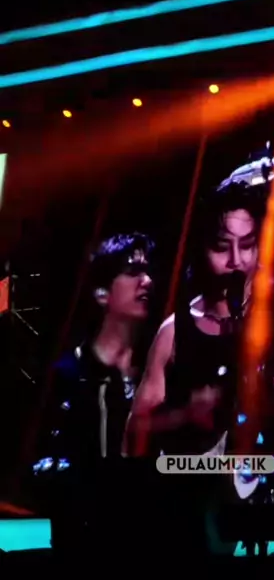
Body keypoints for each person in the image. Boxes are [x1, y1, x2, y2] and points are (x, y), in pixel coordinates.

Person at [125, 181, 274, 555]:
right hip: (196, 515)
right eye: (222, 247)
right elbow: (135, 432)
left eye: (248, 245)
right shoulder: (175, 330)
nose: (236, 260)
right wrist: (183, 416)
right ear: (202, 249)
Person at [33, 232, 155, 559]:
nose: (147, 281)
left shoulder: (158, 370)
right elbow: (45, 466)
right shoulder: (68, 374)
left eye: (148, 271)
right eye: (133, 271)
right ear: (102, 293)